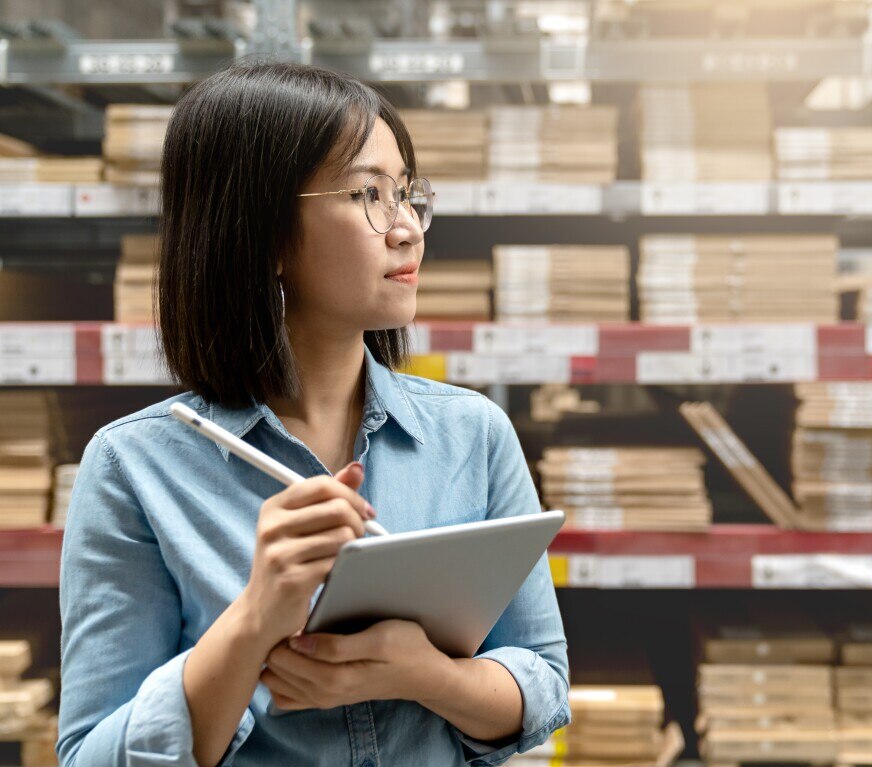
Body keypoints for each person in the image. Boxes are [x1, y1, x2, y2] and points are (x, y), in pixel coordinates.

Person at [57, 61, 570, 767]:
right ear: (261, 230)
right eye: (367, 194)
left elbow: (544, 686)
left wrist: (421, 672)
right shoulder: (133, 468)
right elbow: (89, 756)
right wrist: (253, 620)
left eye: (407, 195)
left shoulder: (472, 435)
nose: (406, 230)